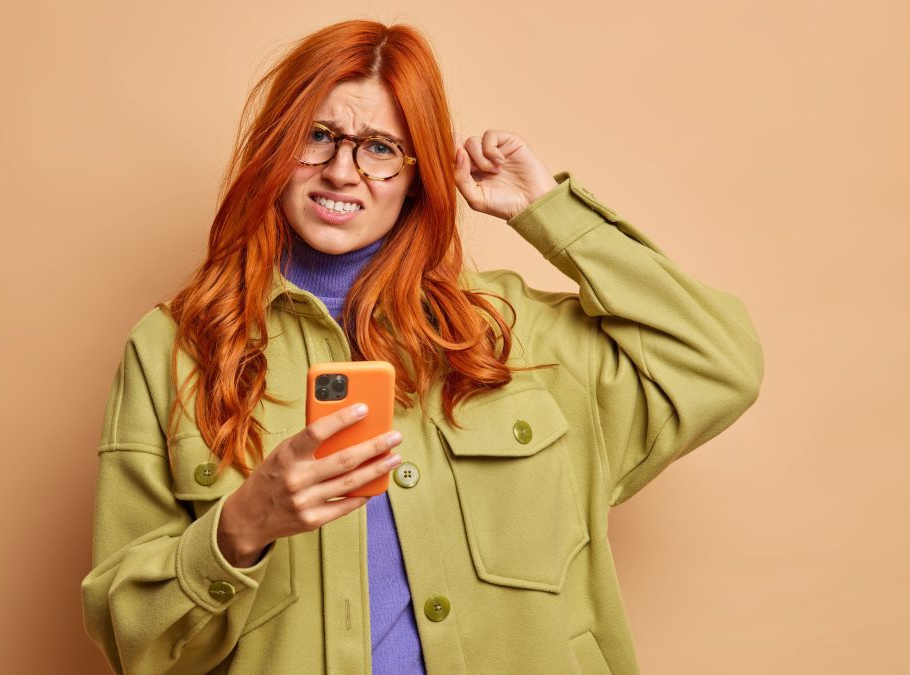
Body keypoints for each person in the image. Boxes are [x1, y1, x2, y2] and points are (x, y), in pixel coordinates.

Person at [80, 19, 764, 675]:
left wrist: (548, 213)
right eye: (317, 135)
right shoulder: (174, 348)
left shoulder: (506, 329)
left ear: (417, 172)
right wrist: (241, 526)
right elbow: (131, 637)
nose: (343, 171)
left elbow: (718, 360)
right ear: (275, 148)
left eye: (380, 147)